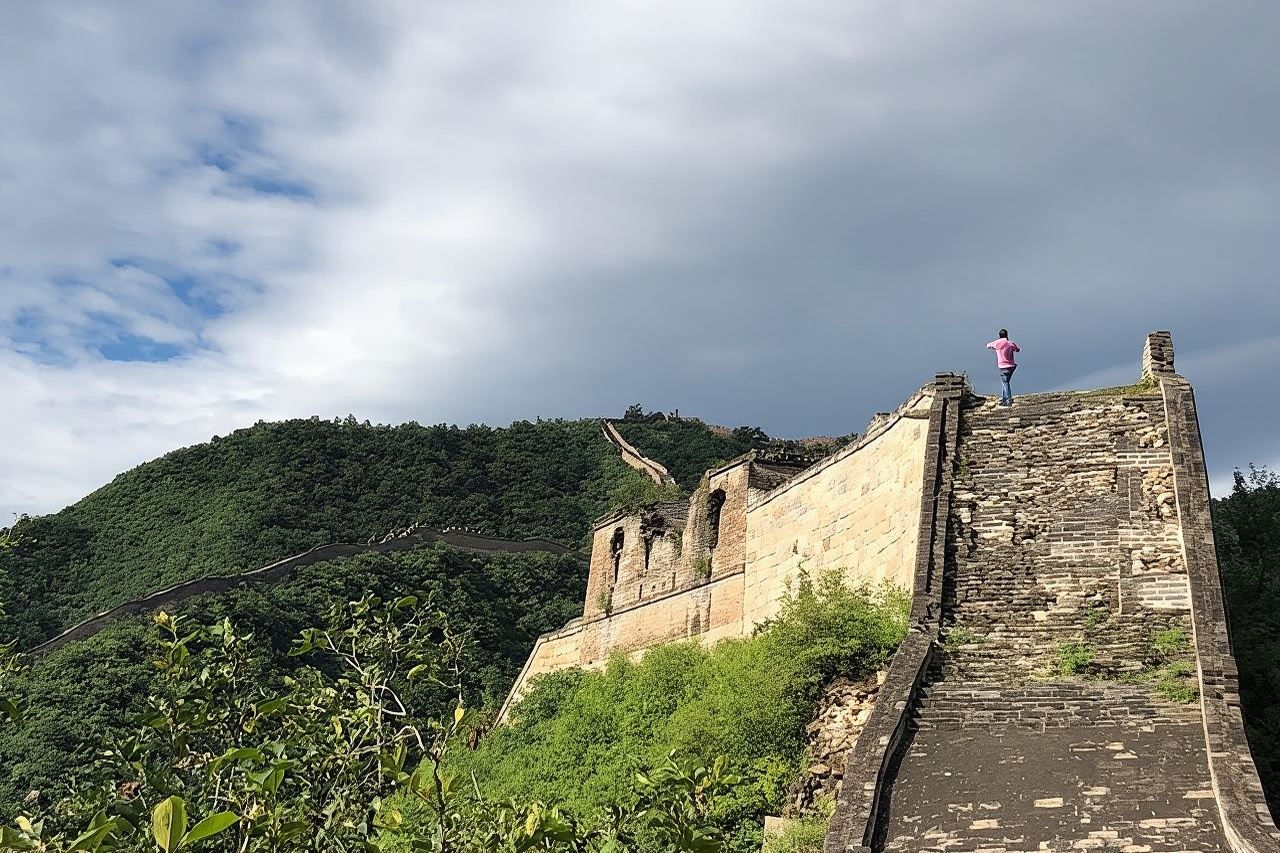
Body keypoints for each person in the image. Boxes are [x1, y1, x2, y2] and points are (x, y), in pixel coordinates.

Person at [986, 329, 1020, 406]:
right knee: (1005, 382)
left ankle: (1008, 400)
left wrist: (995, 348)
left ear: (999, 335)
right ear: (1007, 335)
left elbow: (988, 345)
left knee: (1005, 383)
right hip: (1011, 366)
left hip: (1003, 367)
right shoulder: (1010, 343)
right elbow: (1017, 349)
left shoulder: (997, 343)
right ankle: (1004, 399)